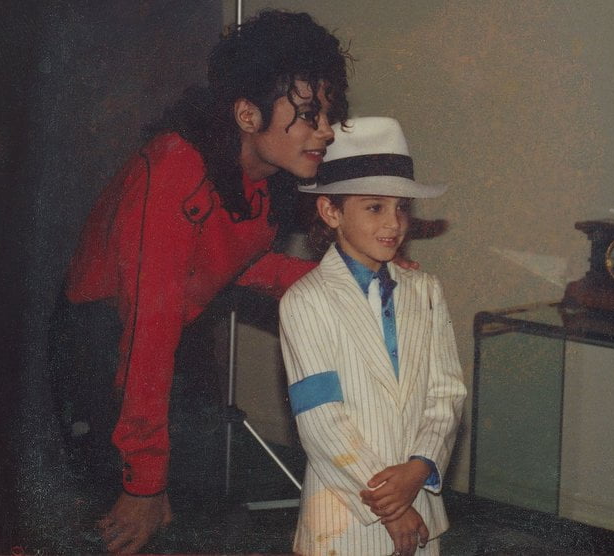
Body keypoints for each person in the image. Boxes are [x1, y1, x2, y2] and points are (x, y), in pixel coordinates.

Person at [48, 9, 391, 554]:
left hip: (171, 329)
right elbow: (148, 332)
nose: (326, 131)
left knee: (199, 495)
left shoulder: (264, 173)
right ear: (248, 114)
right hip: (104, 341)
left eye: (329, 114)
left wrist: (360, 278)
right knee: (134, 514)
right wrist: (142, 483)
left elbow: (234, 263)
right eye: (308, 115)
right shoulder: (174, 170)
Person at [278, 117, 467, 556]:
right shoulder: (305, 301)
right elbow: (321, 420)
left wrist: (419, 468)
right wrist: (391, 507)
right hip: (344, 516)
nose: (394, 223)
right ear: (331, 212)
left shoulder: (425, 291)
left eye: (401, 207)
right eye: (374, 207)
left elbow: (447, 392)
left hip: (421, 508)